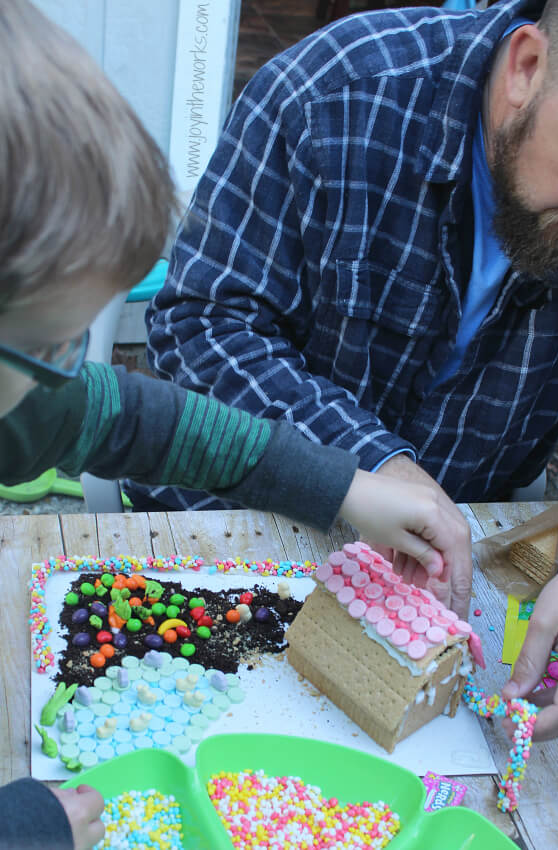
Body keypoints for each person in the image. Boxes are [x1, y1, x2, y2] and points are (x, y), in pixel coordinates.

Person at [0, 2, 475, 848]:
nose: (74, 368)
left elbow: (159, 428)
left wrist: (346, 488)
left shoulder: (29, 399)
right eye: (48, 342)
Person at [141, 0, 558, 744]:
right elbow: (198, 327)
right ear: (527, 68)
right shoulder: (331, 96)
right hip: (232, 537)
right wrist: (372, 465)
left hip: (449, 584)